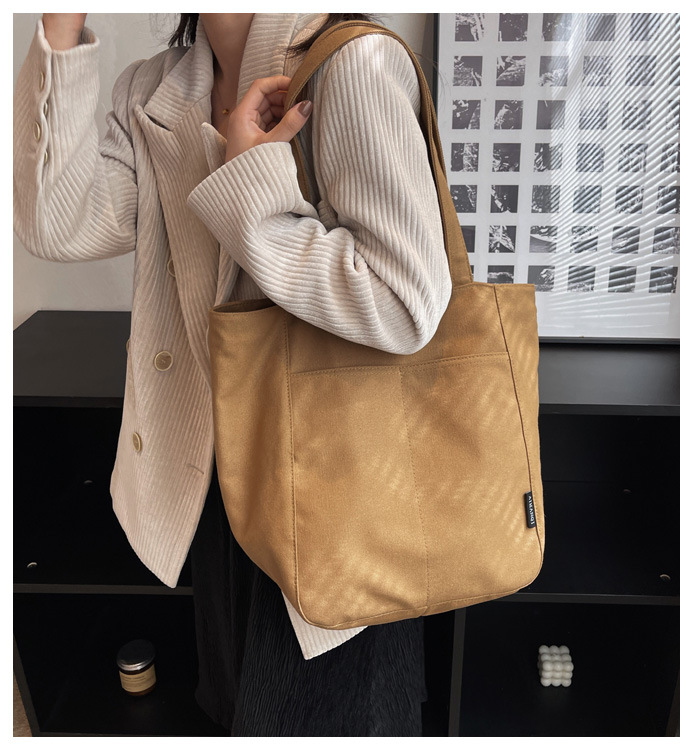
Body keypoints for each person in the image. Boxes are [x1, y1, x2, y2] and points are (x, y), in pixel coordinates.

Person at [14, 12, 452, 736]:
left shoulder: (351, 65)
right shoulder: (153, 90)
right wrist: (59, 26)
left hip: (337, 509)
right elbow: (57, 224)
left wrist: (252, 189)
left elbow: (405, 304)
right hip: (217, 495)